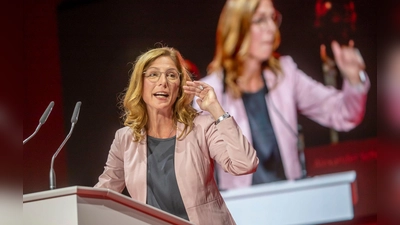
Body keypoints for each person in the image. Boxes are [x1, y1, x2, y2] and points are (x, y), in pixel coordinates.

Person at [194, 0, 370, 190]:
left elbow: (343, 113)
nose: (271, 28)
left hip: (290, 205)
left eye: (272, 18)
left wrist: (354, 81)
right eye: (260, 20)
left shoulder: (285, 75)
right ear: (238, 27)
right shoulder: (211, 93)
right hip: (241, 213)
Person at [94, 46, 258, 225]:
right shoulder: (125, 139)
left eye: (171, 75)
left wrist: (215, 109)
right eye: (153, 74)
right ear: (140, 84)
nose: (163, 82)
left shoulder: (201, 127)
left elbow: (245, 165)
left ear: (179, 87)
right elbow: (104, 192)